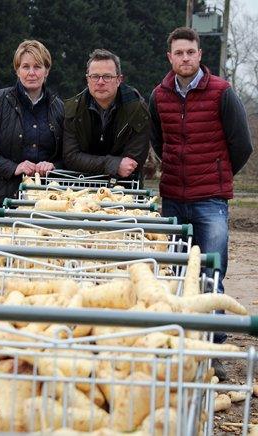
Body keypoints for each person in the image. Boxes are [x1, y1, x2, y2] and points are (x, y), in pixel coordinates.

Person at [149, 27, 253, 379]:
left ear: (200, 55)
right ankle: (182, 346)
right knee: (180, 276)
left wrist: (218, 174)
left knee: (212, 276)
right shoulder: (159, 95)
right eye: (179, 53)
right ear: (170, 57)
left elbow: (242, 146)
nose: (185, 58)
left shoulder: (223, 93)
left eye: (191, 52)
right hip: (173, 200)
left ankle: (212, 350)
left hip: (210, 202)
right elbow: (158, 140)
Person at [0, 40, 64, 212]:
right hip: (3, 197)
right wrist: (14, 168)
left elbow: (69, 153)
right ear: (17, 71)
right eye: (25, 67)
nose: (31, 73)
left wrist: (53, 165)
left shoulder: (59, 107)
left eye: (38, 66)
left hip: (48, 200)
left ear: (47, 71)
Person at [63, 49, 150, 183]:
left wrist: (90, 163)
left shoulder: (137, 109)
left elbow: (131, 164)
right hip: (81, 186)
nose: (100, 82)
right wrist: (113, 164)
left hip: (124, 187)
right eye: (95, 76)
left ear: (119, 80)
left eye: (107, 76)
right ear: (87, 79)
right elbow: (70, 157)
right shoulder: (72, 109)